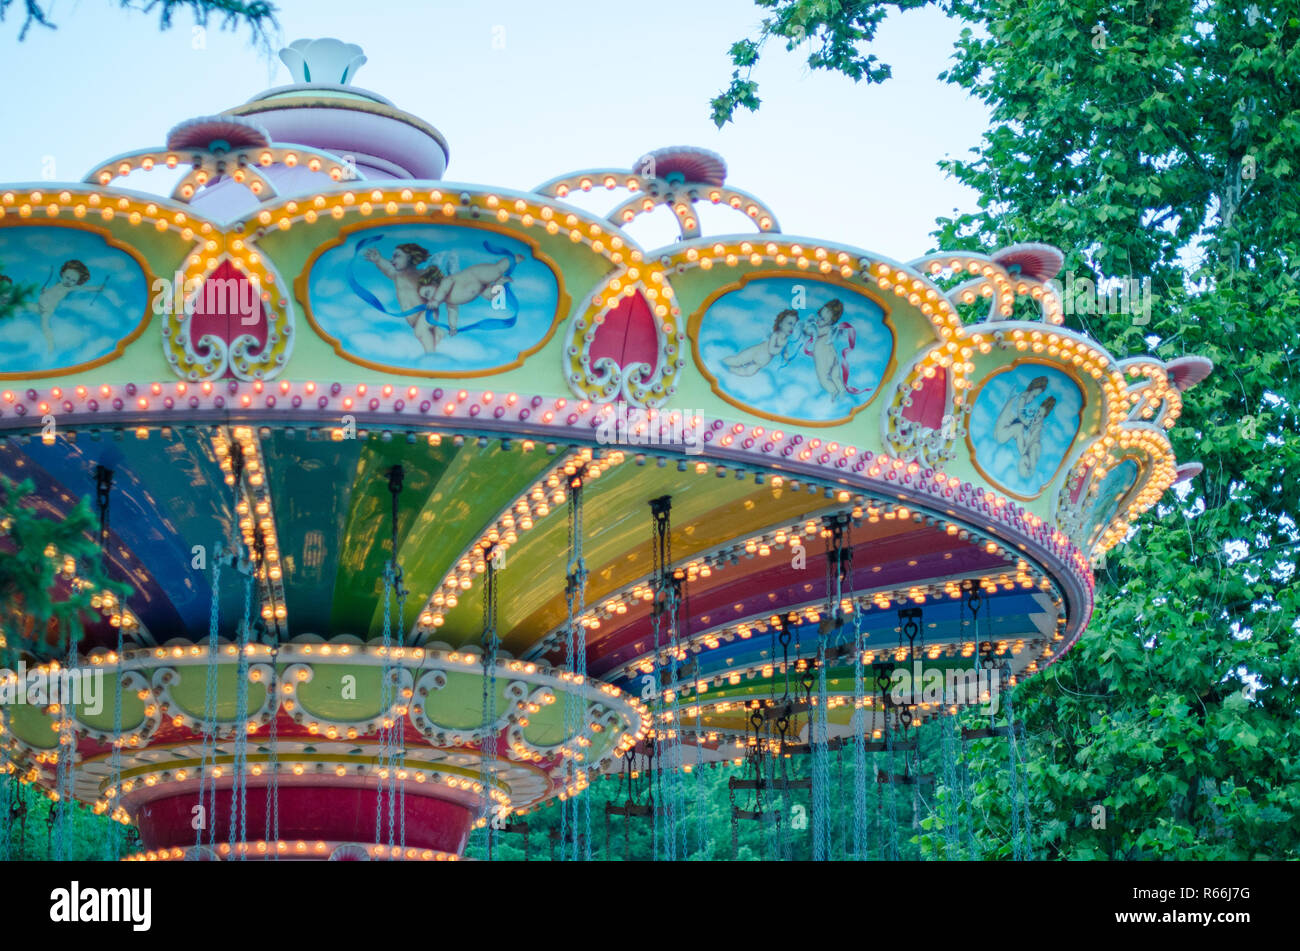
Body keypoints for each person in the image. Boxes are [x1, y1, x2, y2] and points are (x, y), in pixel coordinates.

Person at [362, 242, 442, 353]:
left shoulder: (422, 274)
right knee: (427, 334)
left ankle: (431, 355)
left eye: (397, 256)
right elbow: (387, 268)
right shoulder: (397, 275)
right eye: (392, 256)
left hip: (428, 312)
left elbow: (441, 286)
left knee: (421, 332)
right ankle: (437, 340)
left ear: (409, 257)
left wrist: (435, 297)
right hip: (414, 320)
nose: (392, 260)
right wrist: (378, 259)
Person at [35, 260, 106, 350]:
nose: (69, 282)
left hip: (46, 310)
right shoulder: (59, 284)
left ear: (77, 282)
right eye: (67, 278)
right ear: (62, 274)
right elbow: (52, 292)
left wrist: (97, 288)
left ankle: (50, 345)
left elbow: (85, 288)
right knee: (22, 306)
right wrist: (44, 291)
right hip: (38, 306)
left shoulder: (69, 288)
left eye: (73, 280)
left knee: (44, 325)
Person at [723, 309, 799, 376]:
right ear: (780, 323)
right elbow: (771, 349)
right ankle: (721, 363)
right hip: (755, 352)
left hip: (762, 361)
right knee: (738, 360)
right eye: (790, 323)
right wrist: (780, 350)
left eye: (794, 325)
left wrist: (787, 358)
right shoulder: (775, 335)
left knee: (748, 372)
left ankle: (729, 370)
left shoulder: (785, 341)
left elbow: (785, 351)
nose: (792, 327)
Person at [809, 299, 849, 398]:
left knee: (823, 378)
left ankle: (833, 392)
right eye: (819, 317)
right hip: (832, 354)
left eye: (822, 319)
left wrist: (808, 328)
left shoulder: (825, 328)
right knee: (835, 376)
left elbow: (814, 332)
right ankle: (842, 391)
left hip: (824, 355)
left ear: (831, 321)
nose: (818, 320)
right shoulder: (830, 329)